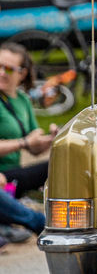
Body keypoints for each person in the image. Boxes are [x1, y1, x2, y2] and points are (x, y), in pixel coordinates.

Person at [0, 42, 55, 198]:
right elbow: (27, 142)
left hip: (13, 175)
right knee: (56, 167)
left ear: (22, 74)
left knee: (61, 164)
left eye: (9, 69)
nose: (2, 73)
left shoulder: (23, 100)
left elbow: (34, 148)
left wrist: (52, 139)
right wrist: (24, 142)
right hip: (2, 177)